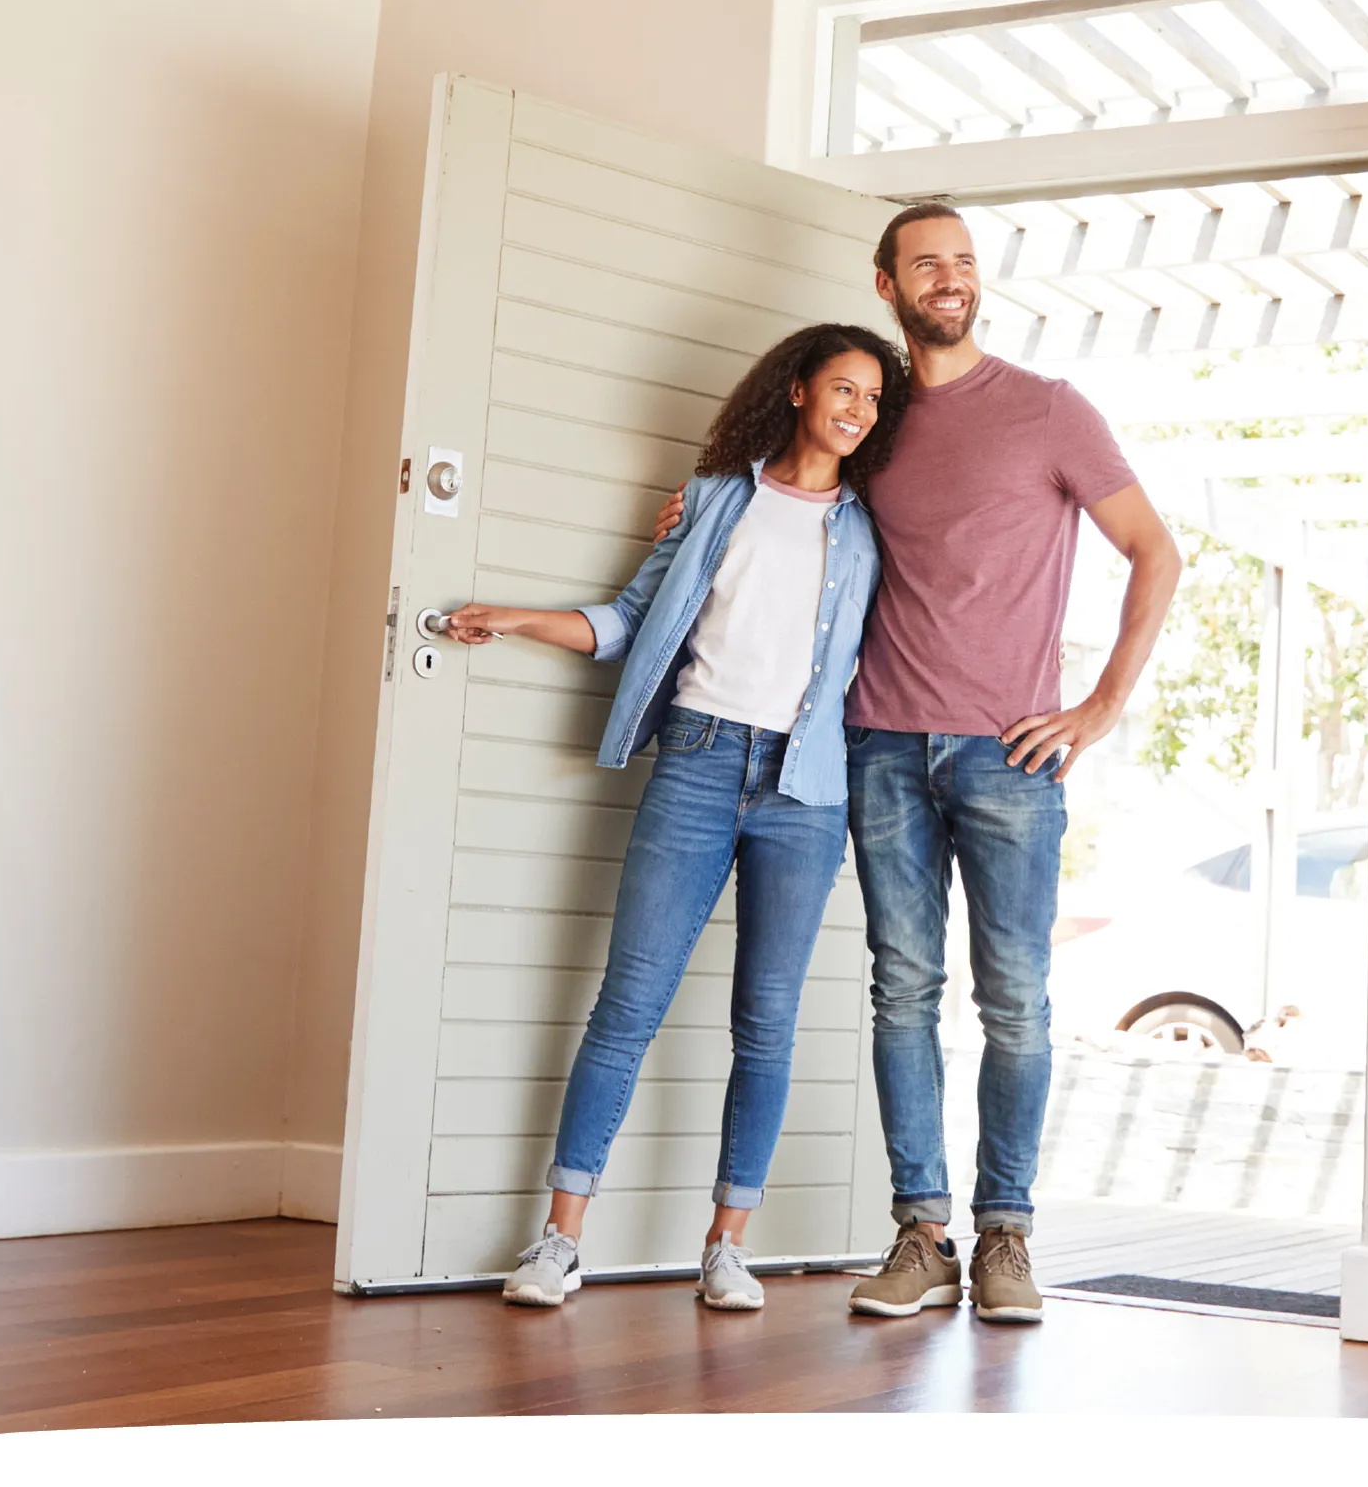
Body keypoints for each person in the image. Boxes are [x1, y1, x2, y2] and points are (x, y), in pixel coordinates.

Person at [652, 205, 1182, 1324]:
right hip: (878, 744)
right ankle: (922, 1234)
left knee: (1017, 1003)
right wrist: (700, 512)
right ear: (887, 284)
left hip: (1007, 754)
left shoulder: (1048, 410)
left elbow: (1153, 549)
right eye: (925, 264)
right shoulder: (876, 421)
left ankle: (1005, 1237)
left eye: (964, 263)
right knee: (902, 993)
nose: (949, 278)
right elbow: (793, 490)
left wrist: (1097, 706)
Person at [448, 323, 907, 1312]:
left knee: (766, 1025)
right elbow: (623, 623)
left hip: (806, 792)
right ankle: (559, 1241)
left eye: (872, 399)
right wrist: (517, 617)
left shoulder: (876, 527)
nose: (856, 410)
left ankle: (726, 1246)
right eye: (841, 388)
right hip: (696, 765)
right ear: (796, 390)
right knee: (627, 1007)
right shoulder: (711, 502)